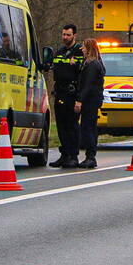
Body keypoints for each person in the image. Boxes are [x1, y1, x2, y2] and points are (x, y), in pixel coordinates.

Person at [49, 24, 84, 167]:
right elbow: (55, 69)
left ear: (74, 35)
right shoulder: (60, 51)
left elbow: (80, 73)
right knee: (61, 126)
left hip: (72, 93)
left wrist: (79, 99)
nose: (65, 37)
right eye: (63, 34)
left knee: (72, 126)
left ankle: (73, 156)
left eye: (68, 35)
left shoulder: (79, 52)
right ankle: (64, 155)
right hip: (60, 92)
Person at [74, 38, 106, 169]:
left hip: (90, 101)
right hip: (93, 100)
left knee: (87, 128)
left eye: (84, 47)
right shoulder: (96, 63)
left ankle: (90, 156)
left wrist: (80, 100)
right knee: (90, 127)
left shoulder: (92, 65)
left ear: (89, 49)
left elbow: (87, 85)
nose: (82, 49)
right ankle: (90, 155)